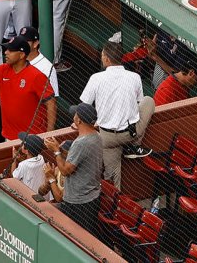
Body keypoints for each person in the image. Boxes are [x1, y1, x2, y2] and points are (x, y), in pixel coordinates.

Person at [78, 43, 155, 189]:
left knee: (112, 183)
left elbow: (84, 106)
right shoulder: (135, 77)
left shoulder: (96, 78)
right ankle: (134, 146)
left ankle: (115, 207)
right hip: (130, 134)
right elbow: (139, 103)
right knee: (149, 101)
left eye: (102, 56)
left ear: (107, 59)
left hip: (107, 138)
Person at [44, 103, 103, 238]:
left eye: (76, 114)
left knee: (77, 238)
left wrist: (56, 151)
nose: (74, 116)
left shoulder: (80, 143)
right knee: (86, 236)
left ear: (79, 120)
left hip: (79, 201)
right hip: (92, 196)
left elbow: (65, 171)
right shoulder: (97, 135)